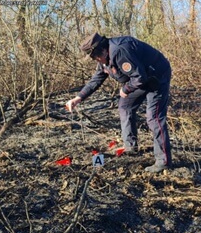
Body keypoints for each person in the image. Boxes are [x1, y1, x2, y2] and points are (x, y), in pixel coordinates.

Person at [66, 33, 172, 173]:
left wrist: (126, 89)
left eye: (95, 57)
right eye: (93, 58)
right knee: (125, 106)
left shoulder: (120, 50)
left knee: (154, 117)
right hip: (141, 78)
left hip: (157, 75)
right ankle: (130, 147)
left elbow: (139, 77)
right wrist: (78, 98)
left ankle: (163, 161)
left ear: (102, 50)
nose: (96, 60)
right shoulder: (104, 58)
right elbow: (97, 79)